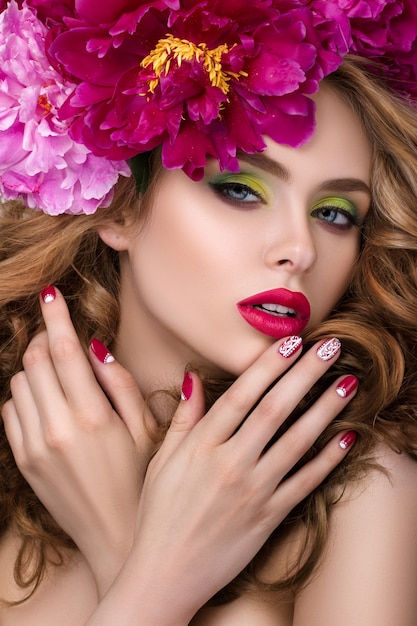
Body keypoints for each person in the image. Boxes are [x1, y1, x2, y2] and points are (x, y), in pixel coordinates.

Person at [0, 1, 417, 624]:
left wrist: (129, 553)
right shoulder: (15, 482)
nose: (300, 251)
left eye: (334, 212)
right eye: (240, 189)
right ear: (116, 205)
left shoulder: (363, 490)